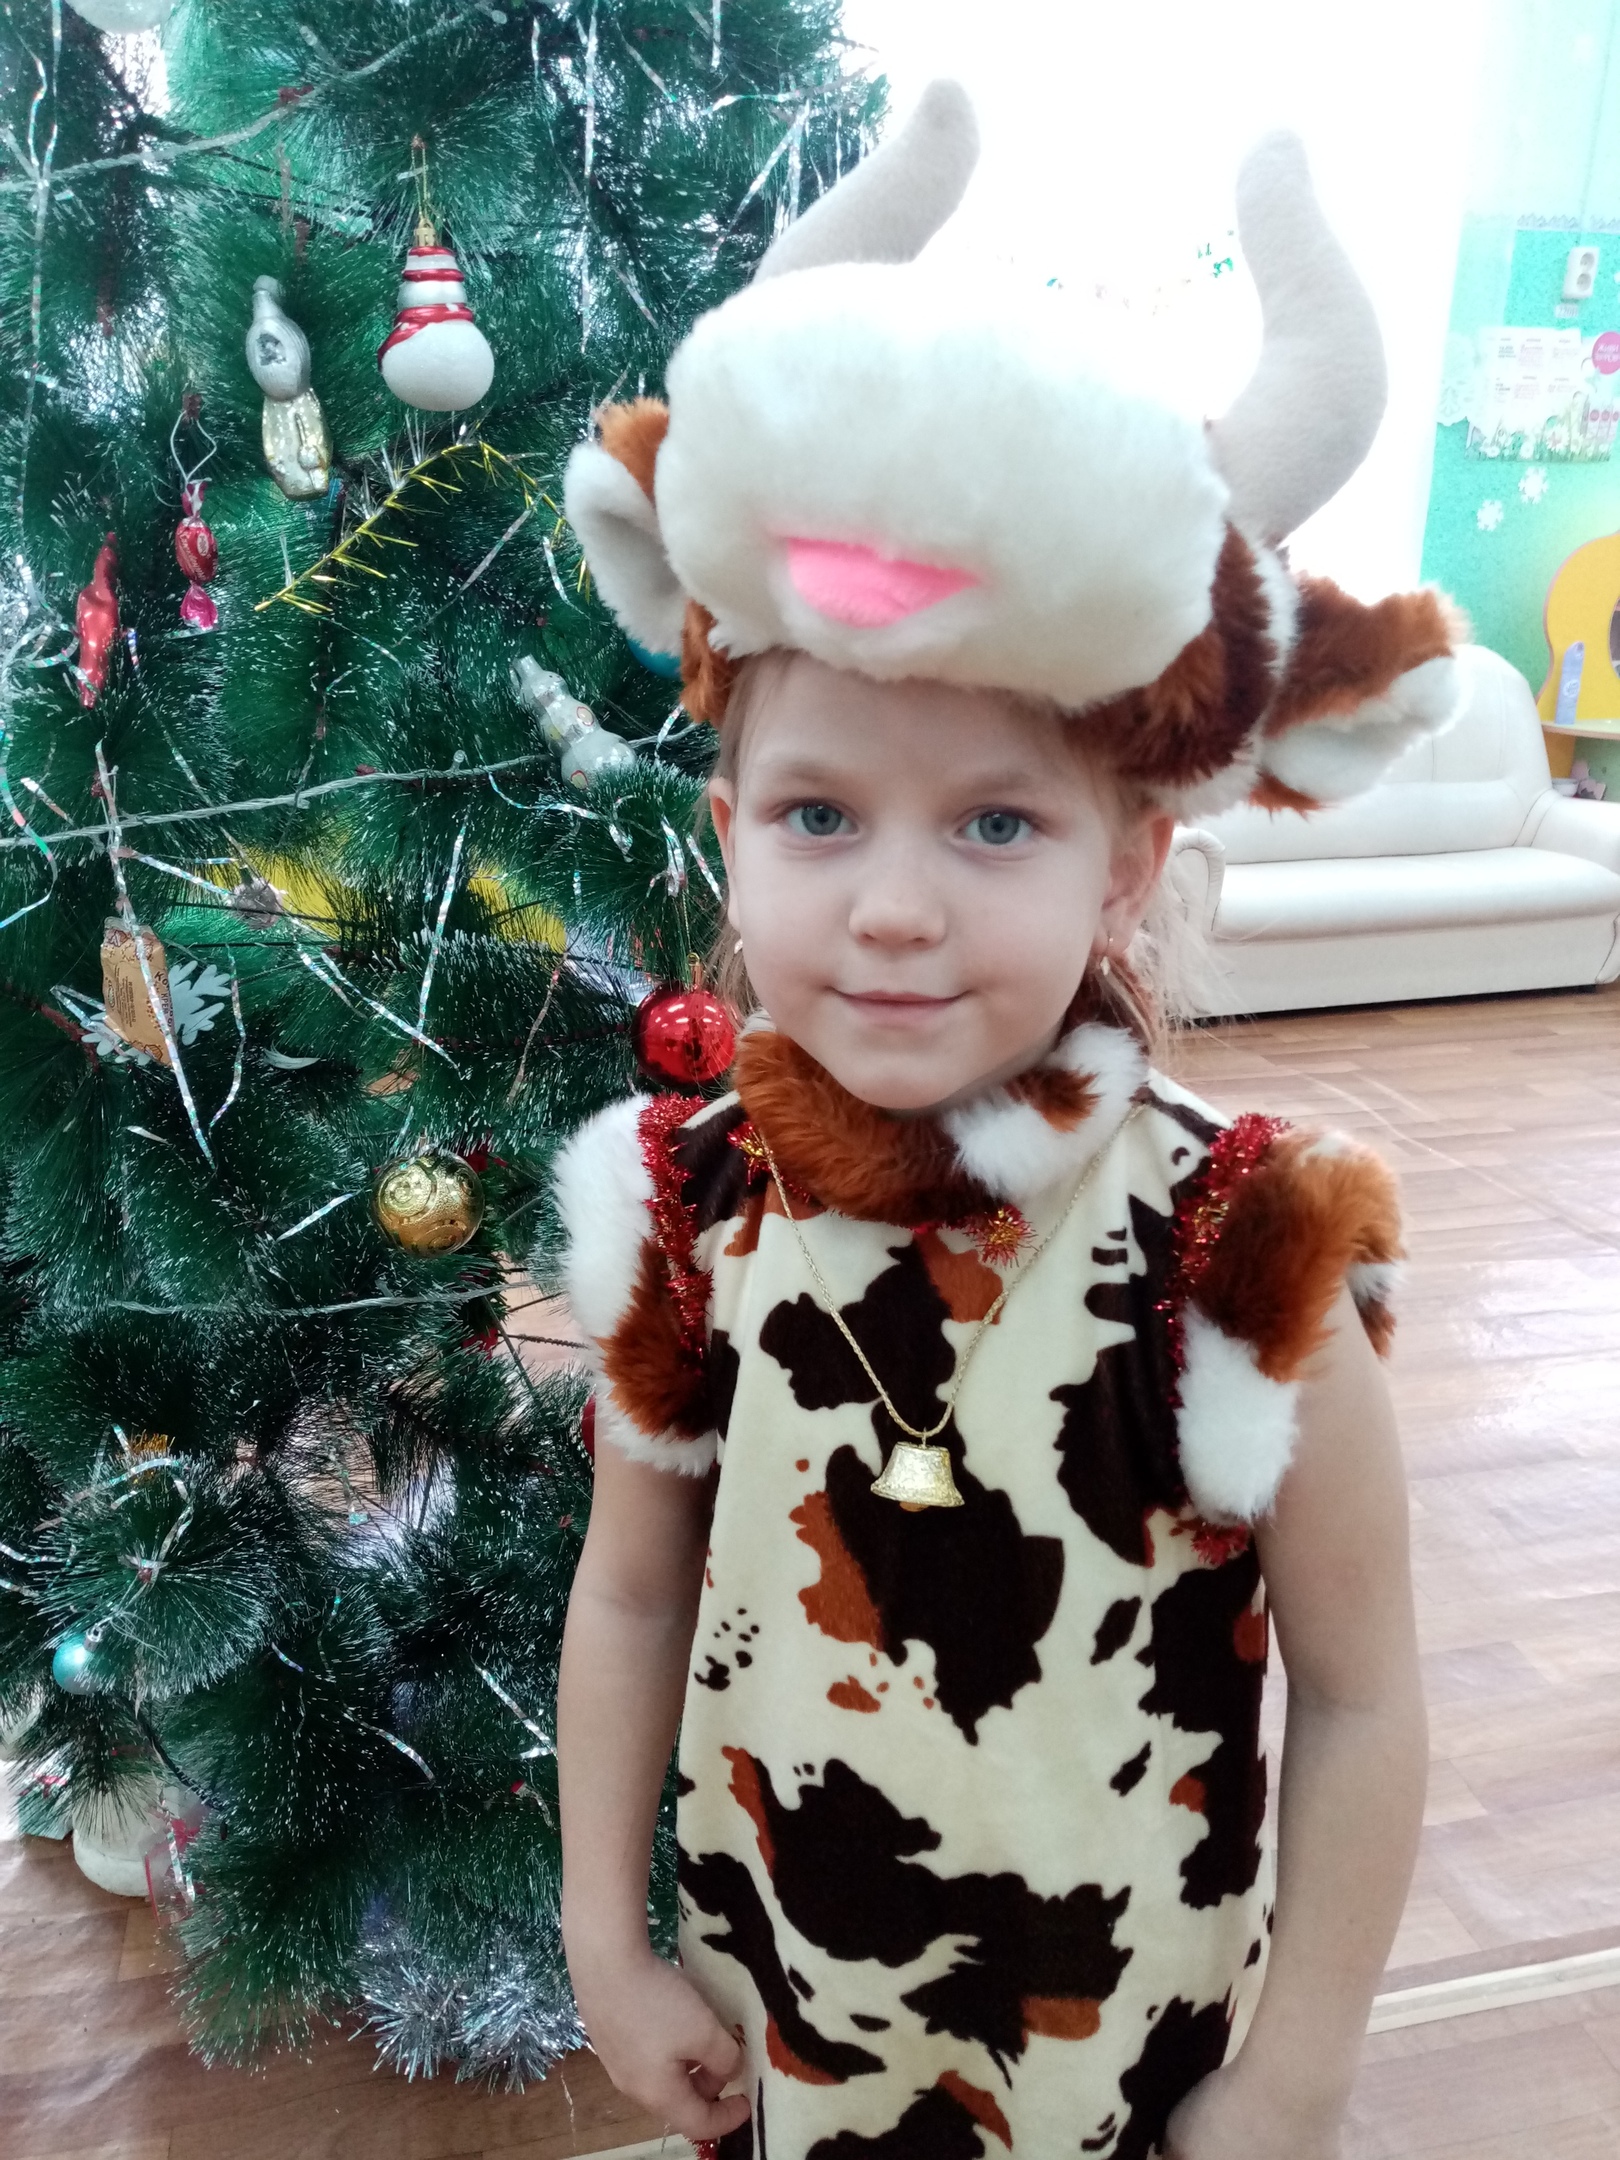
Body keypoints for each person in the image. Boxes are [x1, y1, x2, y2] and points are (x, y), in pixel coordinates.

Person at [554, 82, 1448, 2160]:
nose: (891, 904)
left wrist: (1301, 2072)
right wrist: (607, 1934)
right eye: (819, 814)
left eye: (994, 823)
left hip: (1116, 2065)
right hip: (786, 2032)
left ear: (1127, 862)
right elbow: (632, 1591)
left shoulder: (1244, 1245)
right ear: (728, 825)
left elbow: (1366, 1686)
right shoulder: (685, 1205)